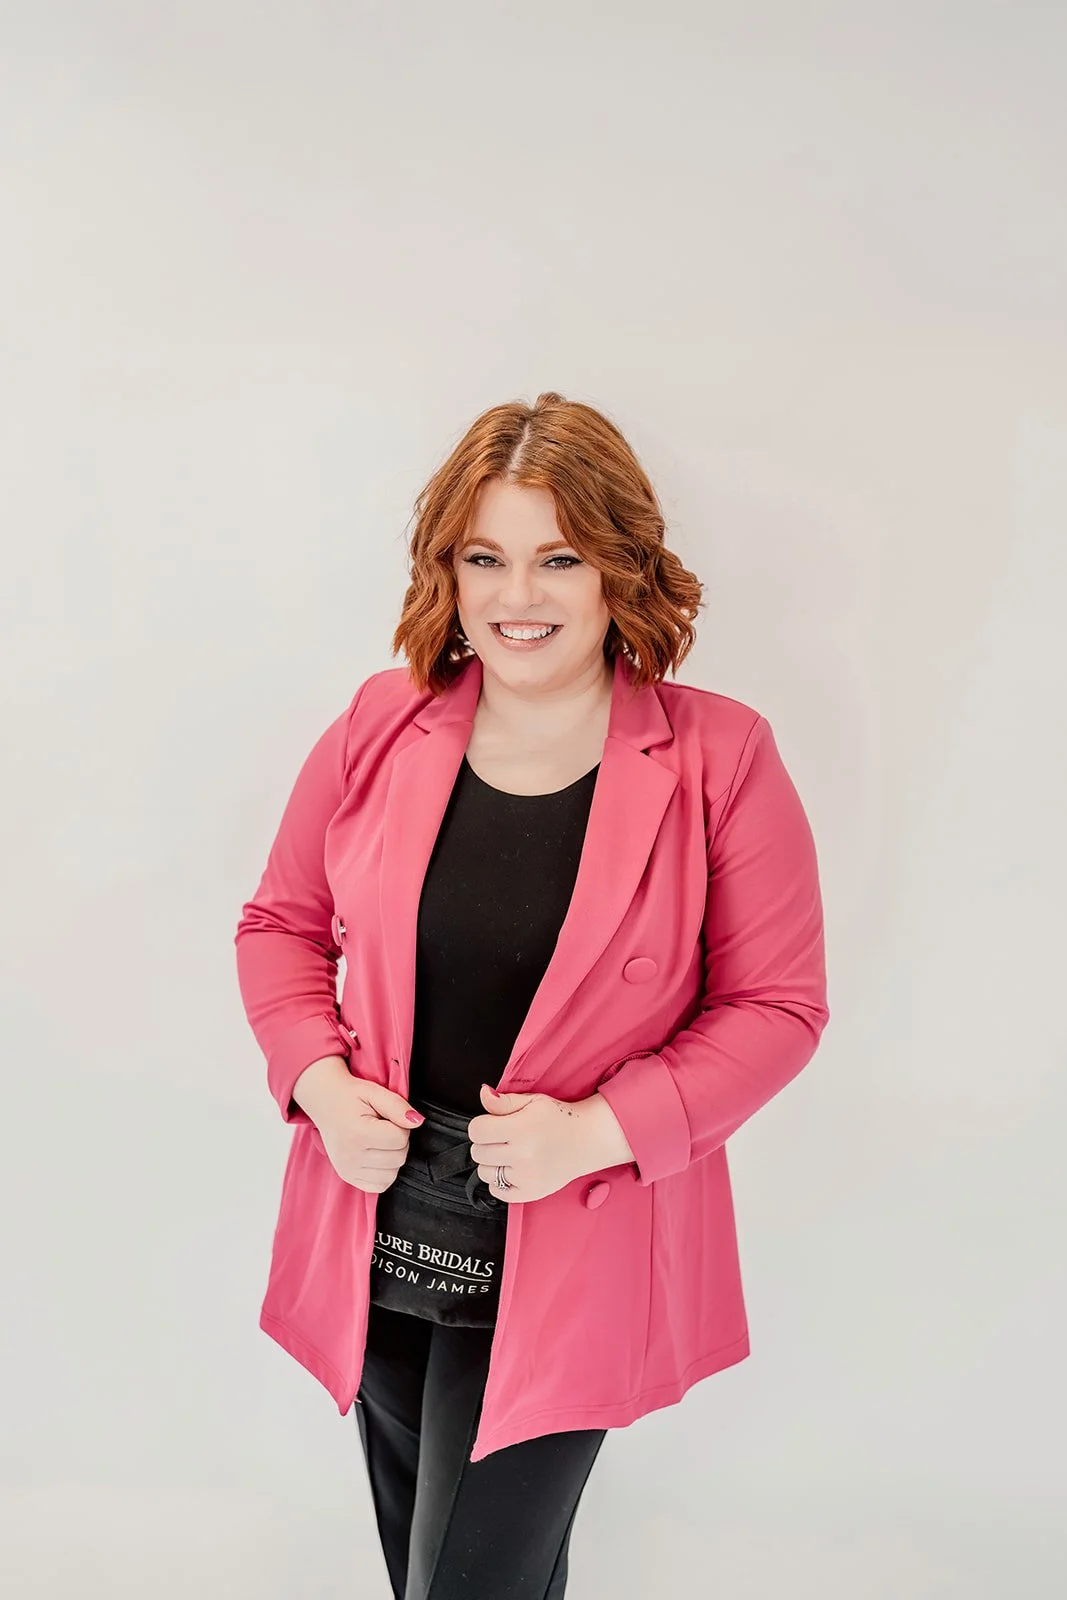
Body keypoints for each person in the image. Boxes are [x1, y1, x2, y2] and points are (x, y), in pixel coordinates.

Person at [234, 390, 830, 1599]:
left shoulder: (721, 757)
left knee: (467, 1581)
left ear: (618, 566)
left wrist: (590, 1133)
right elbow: (279, 927)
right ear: (446, 570)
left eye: (558, 557)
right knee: (442, 1570)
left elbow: (778, 1005)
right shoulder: (378, 724)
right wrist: (319, 1081)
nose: (519, 595)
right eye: (486, 557)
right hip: (385, 1205)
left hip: (576, 1222)